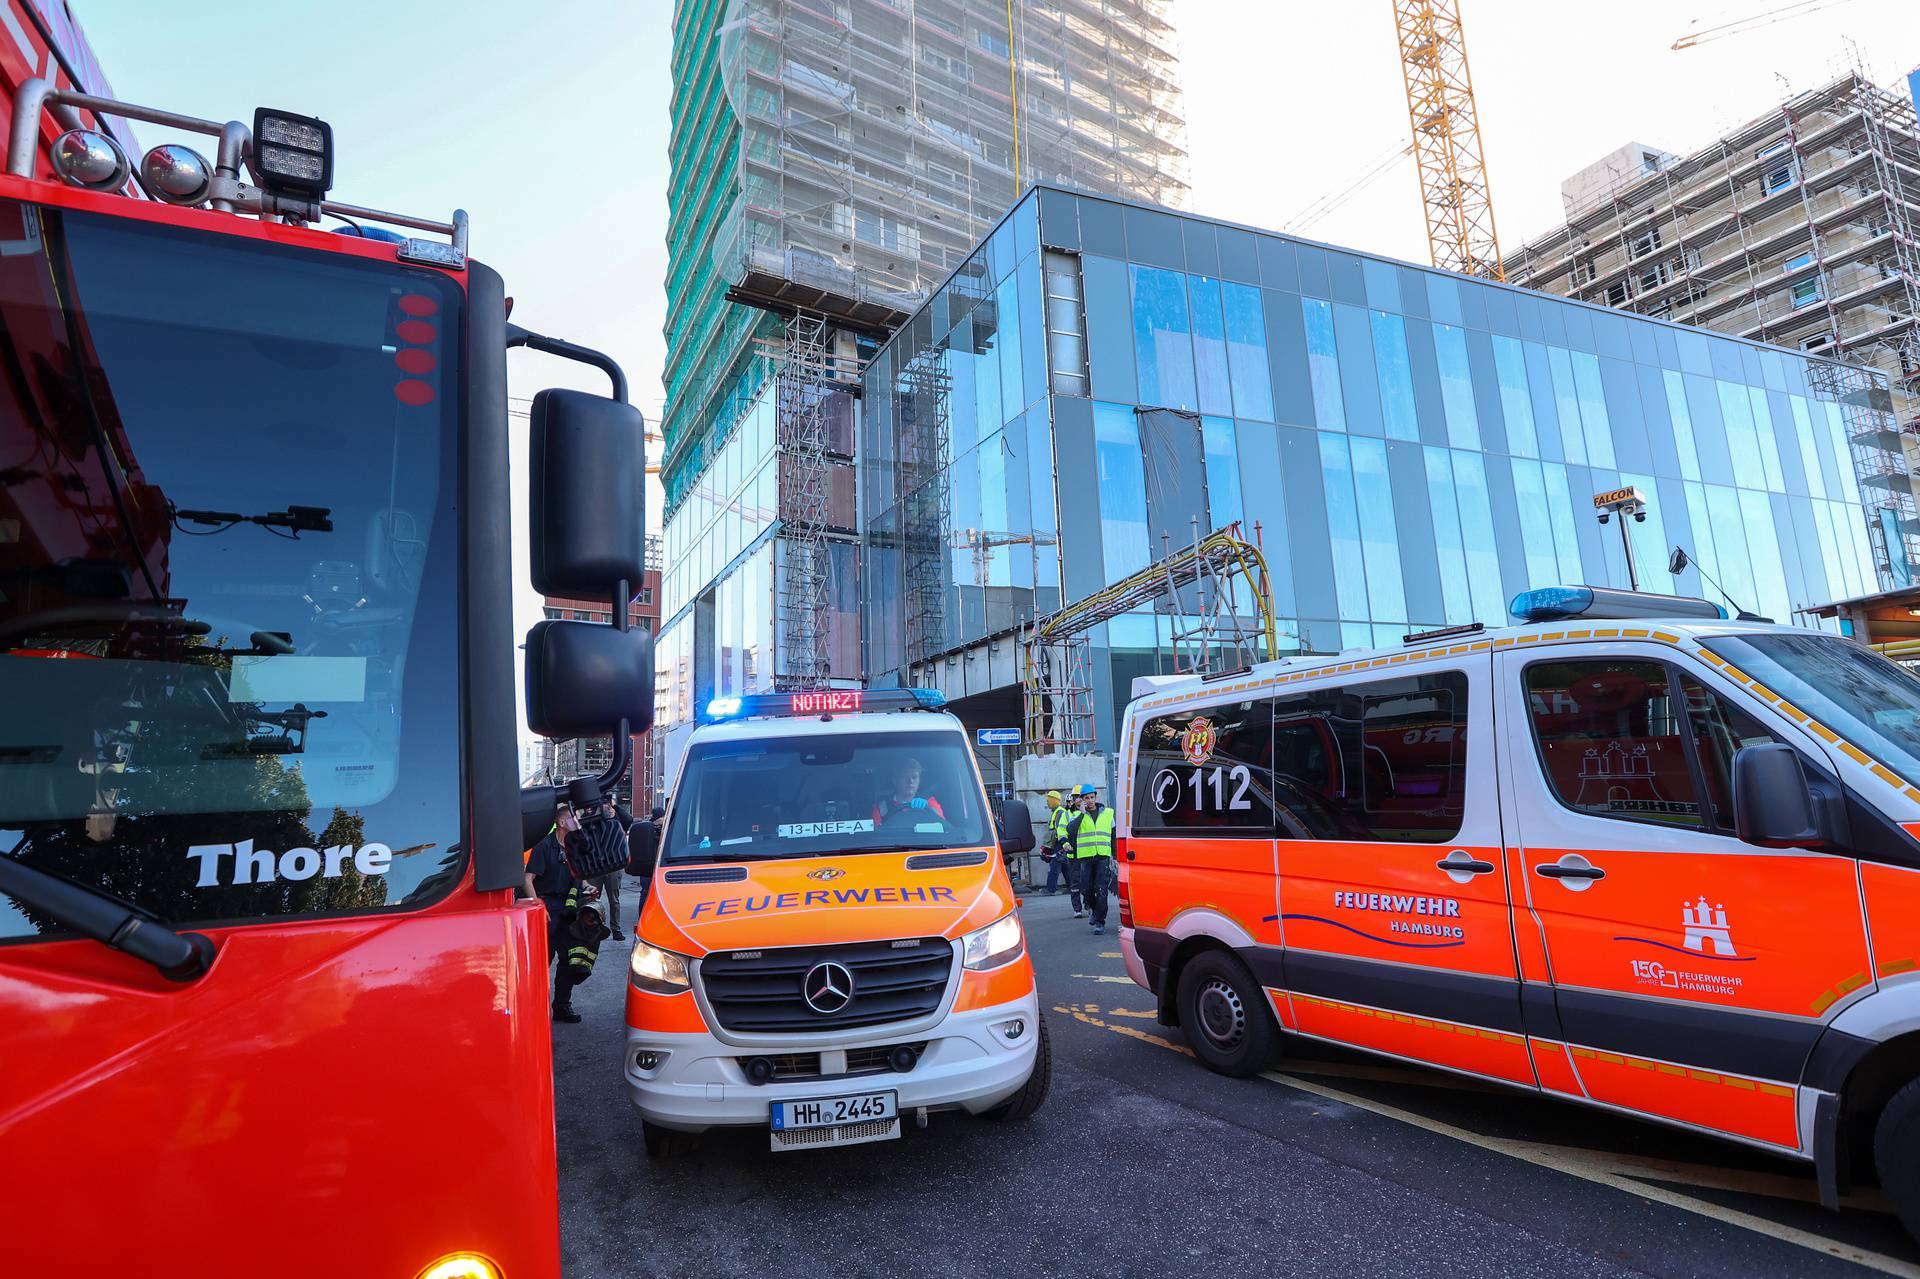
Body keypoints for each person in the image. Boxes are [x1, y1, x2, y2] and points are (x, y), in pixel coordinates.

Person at [523, 806, 583, 1023]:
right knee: (542, 963)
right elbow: (527, 879)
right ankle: (535, 1009)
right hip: (547, 909)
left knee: (568, 960)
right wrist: (539, 907)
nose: (578, 822)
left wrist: (587, 888)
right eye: (574, 819)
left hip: (567, 908)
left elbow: (580, 876)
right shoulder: (543, 846)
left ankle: (561, 1007)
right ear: (562, 822)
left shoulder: (573, 847)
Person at [566, 783, 634, 941]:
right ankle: (589, 925)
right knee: (590, 896)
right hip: (593, 864)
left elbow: (628, 820)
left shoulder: (614, 819)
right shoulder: (586, 821)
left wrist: (614, 807)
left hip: (612, 866)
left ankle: (615, 928)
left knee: (614, 900)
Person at [1067, 783, 1117, 936]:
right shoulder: (1077, 815)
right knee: (1086, 889)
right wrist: (1081, 814)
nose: (1090, 800)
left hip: (1102, 856)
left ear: (1096, 797)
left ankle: (1100, 922)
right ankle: (1093, 911)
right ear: (1081, 800)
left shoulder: (1108, 813)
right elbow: (1071, 831)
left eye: (1092, 797)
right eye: (1086, 798)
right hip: (1086, 857)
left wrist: (1115, 856)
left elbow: (1113, 835)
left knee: (1101, 889)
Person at [873, 756, 945, 825]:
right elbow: (874, 834)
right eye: (905, 777)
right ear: (895, 780)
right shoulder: (882, 807)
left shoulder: (929, 802)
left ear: (919, 780)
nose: (910, 781)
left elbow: (943, 827)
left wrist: (928, 809)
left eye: (914, 777)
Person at [627, 804, 665, 911]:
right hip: (648, 867)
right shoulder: (648, 830)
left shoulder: (664, 829)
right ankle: (643, 915)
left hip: (658, 866)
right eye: (662, 818)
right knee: (646, 892)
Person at [1041, 790, 1076, 898]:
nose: (1047, 802)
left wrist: (1056, 845)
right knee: (1065, 866)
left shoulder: (1060, 812)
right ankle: (1071, 887)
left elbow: (1060, 830)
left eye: (1049, 800)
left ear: (1054, 800)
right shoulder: (1057, 812)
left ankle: (1051, 889)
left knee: (1054, 866)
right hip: (1059, 843)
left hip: (1059, 843)